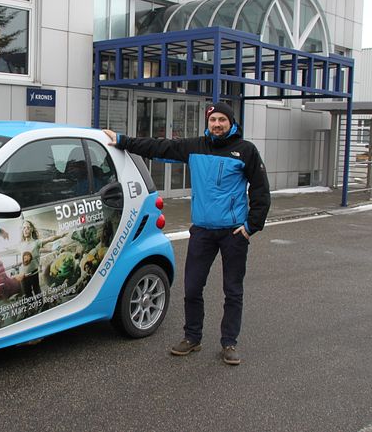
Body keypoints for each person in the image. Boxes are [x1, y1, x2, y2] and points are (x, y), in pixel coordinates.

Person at [103, 101, 270, 365]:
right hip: (202, 231)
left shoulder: (245, 151)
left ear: (231, 123)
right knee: (192, 288)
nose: (217, 124)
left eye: (222, 120)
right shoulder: (195, 147)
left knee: (233, 291)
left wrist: (250, 227)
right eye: (213, 120)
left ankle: (229, 342)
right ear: (208, 122)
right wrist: (122, 140)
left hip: (233, 234)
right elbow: (158, 147)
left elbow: (261, 192)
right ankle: (192, 338)